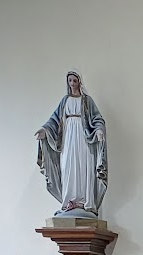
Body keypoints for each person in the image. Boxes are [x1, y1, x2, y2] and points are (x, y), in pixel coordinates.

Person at [35, 70, 108, 216]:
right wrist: (44, 130)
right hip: (68, 137)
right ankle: (69, 200)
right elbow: (54, 120)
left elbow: (97, 118)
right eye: (70, 81)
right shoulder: (65, 101)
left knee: (84, 166)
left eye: (75, 80)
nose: (72, 83)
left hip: (84, 137)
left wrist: (99, 130)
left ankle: (85, 202)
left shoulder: (87, 101)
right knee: (68, 165)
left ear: (79, 82)